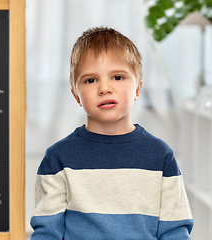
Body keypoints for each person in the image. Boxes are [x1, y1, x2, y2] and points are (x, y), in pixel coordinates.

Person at [30, 26, 193, 239]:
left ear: (138, 88)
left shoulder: (160, 156)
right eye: (90, 80)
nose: (104, 88)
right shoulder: (58, 158)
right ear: (76, 95)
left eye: (117, 77)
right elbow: (47, 232)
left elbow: (175, 230)